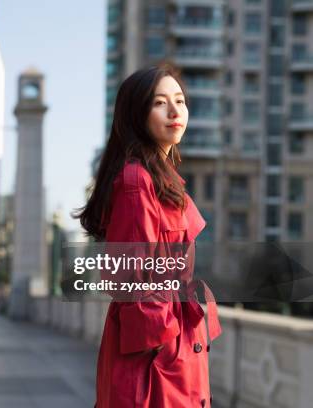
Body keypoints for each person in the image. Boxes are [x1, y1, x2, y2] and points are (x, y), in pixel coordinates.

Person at [73, 63, 222, 407]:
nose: (174, 112)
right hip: (154, 356)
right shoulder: (137, 181)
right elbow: (130, 276)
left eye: (180, 101)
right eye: (159, 103)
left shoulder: (163, 179)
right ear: (136, 115)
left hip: (172, 343)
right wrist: (165, 344)